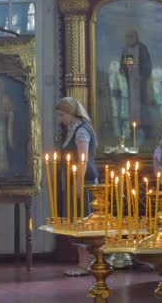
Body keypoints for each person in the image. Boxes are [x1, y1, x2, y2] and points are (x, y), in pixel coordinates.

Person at [56, 97, 99, 276]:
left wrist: (79, 186)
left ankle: (87, 264)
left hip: (84, 180)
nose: (60, 118)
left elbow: (82, 161)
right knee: (75, 222)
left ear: (71, 113)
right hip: (75, 180)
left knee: (82, 222)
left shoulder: (81, 131)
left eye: (62, 114)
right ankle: (83, 262)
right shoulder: (72, 129)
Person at [119, 29, 154, 142]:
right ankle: (133, 130)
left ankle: (146, 132)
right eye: (128, 36)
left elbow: (147, 64)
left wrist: (142, 75)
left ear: (136, 36)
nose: (129, 39)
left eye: (131, 36)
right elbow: (127, 65)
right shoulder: (128, 49)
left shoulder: (142, 48)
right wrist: (125, 71)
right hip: (131, 83)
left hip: (142, 84)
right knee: (132, 108)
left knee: (143, 107)